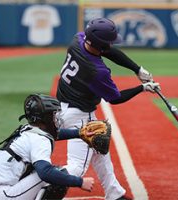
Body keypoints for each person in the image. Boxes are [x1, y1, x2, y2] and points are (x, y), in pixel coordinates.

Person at [55, 17, 160, 200]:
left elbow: (108, 51)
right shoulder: (97, 71)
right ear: (101, 45)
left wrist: (137, 69)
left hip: (62, 107)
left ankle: (114, 193)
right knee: (77, 167)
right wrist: (142, 88)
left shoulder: (77, 40)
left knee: (100, 149)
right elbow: (115, 98)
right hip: (80, 115)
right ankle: (41, 183)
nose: (110, 45)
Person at [0, 94, 95, 200]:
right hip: (1, 196)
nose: (56, 118)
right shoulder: (40, 140)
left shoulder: (28, 129)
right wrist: (80, 182)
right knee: (55, 174)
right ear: (46, 118)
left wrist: (79, 133)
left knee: (39, 170)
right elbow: (45, 173)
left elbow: (53, 134)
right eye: (53, 115)